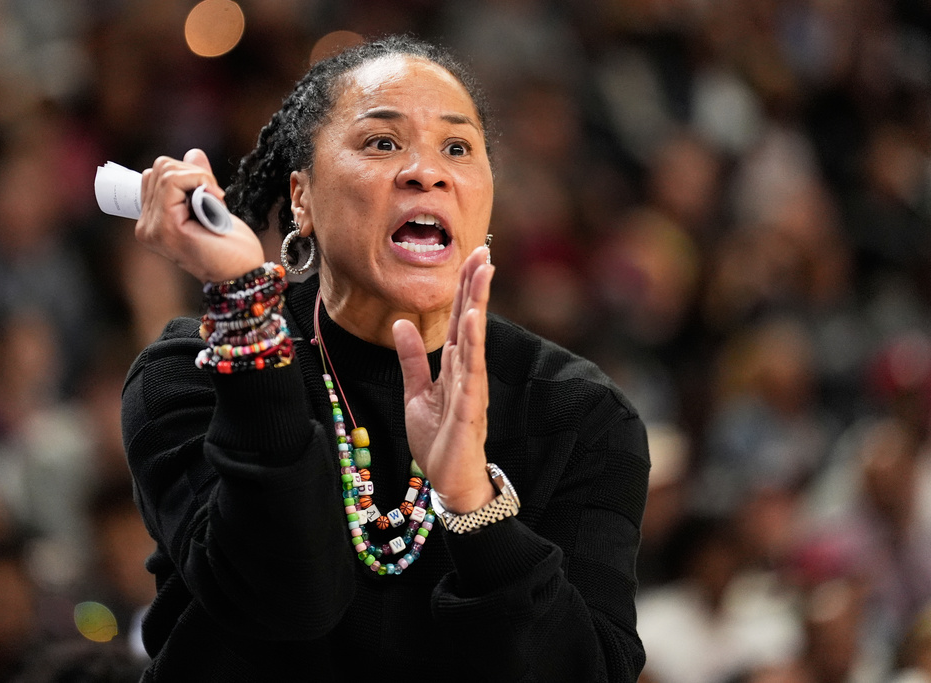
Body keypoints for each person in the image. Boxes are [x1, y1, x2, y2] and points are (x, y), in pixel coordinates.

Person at [121, 35, 649, 681]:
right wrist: (246, 316)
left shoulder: (582, 414)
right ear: (302, 199)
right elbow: (283, 602)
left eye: (457, 148)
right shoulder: (194, 370)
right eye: (382, 142)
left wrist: (470, 500)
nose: (425, 171)